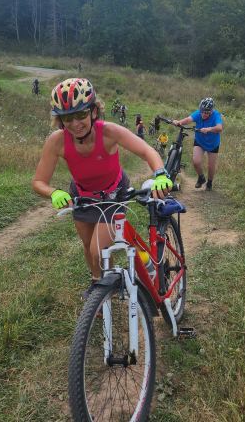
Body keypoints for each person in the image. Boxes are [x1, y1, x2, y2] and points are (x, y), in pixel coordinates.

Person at [32, 78, 173, 295]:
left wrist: (160, 173)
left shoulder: (109, 132)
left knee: (97, 249)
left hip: (114, 194)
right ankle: (98, 284)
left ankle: (112, 281)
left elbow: (147, 151)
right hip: (82, 196)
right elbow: (39, 181)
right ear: (60, 120)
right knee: (88, 247)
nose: (75, 123)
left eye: (80, 115)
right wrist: (54, 193)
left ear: (94, 111)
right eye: (67, 118)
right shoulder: (57, 141)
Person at [173, 97, 223, 191]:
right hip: (200, 141)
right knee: (196, 161)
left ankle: (209, 183)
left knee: (211, 166)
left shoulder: (216, 115)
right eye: (202, 111)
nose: (204, 114)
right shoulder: (198, 113)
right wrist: (179, 122)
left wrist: (209, 129)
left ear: (211, 111)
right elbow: (188, 119)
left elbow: (219, 128)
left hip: (213, 144)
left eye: (207, 112)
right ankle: (201, 178)